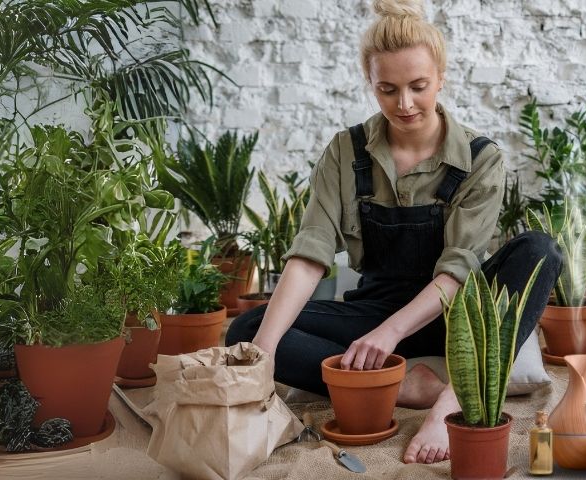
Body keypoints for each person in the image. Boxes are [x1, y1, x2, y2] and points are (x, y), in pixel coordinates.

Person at [225, 0, 562, 465]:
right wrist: (262, 354)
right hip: (375, 307)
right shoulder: (346, 151)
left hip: (456, 315)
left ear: (441, 77)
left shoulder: (481, 160)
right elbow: (310, 255)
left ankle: (452, 401)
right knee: (247, 329)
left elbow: (459, 270)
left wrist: (387, 336)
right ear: (371, 84)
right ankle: (405, 385)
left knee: (541, 249)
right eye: (387, 90)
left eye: (418, 87)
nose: (403, 104)